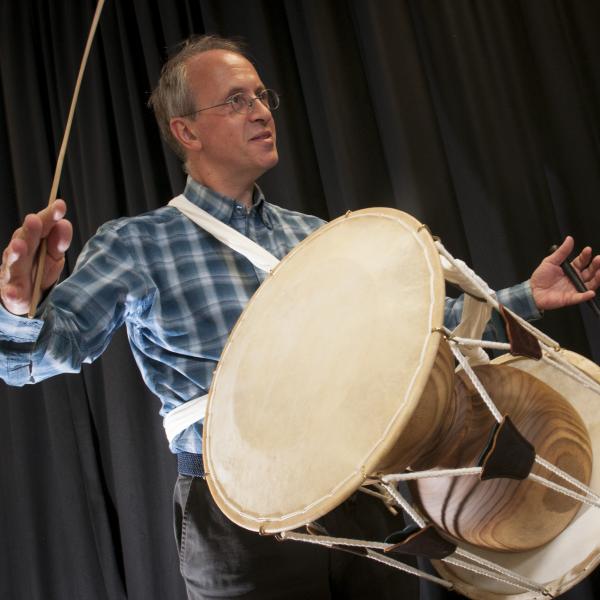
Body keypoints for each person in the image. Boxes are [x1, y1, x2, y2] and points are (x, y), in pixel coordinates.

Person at [1, 34, 599, 600]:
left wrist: (524, 297)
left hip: (363, 490)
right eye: (236, 100)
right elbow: (41, 356)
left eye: (263, 95)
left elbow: (422, 333)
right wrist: (18, 308)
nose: (261, 110)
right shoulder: (136, 243)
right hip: (237, 513)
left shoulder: (315, 236)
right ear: (186, 130)